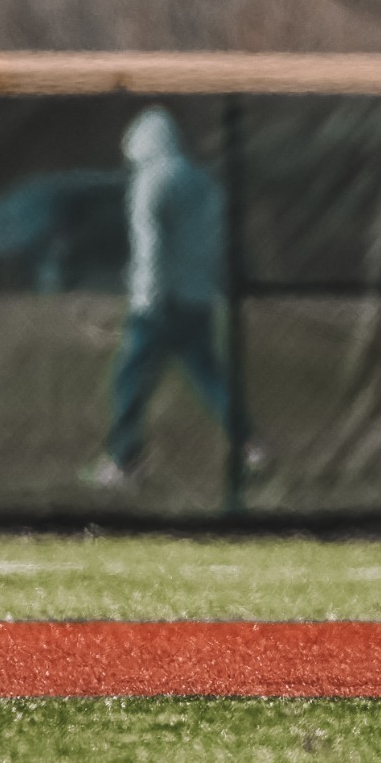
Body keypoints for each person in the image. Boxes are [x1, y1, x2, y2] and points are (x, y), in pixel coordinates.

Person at [82, 106, 262, 488]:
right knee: (210, 377)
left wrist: (145, 297)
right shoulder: (201, 181)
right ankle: (250, 445)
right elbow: (213, 243)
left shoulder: (150, 182)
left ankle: (125, 463)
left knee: (130, 381)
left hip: (159, 304)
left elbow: (150, 246)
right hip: (197, 300)